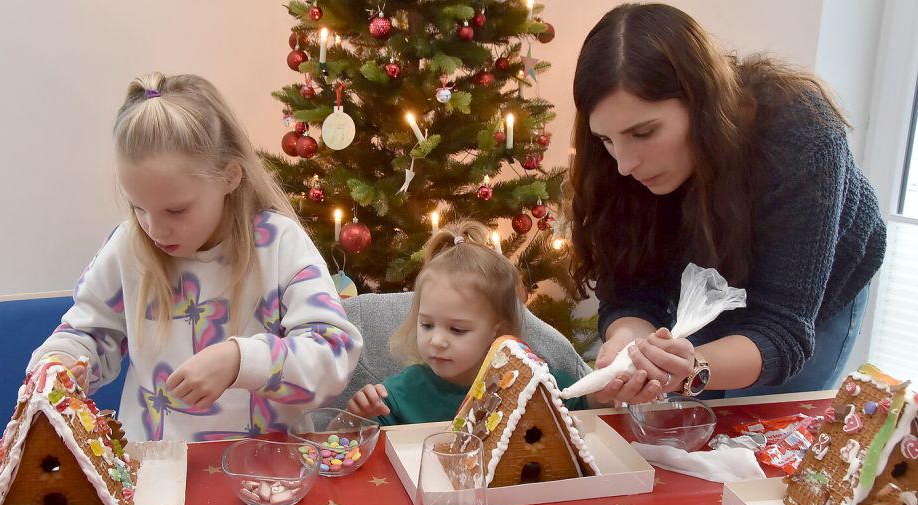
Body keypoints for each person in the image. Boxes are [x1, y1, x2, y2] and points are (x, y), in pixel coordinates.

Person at [567, 3, 886, 405]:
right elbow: (630, 290)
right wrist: (630, 340)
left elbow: (783, 329)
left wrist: (694, 366)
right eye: (607, 140)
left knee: (766, 427)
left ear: (701, 102)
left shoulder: (804, 135)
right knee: (688, 402)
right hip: (711, 267)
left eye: (644, 132)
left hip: (813, 289)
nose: (625, 164)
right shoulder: (617, 163)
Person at [29, 72, 362, 441]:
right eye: (138, 207)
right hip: (156, 472)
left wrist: (240, 362)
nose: (154, 230)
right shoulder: (129, 246)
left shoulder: (279, 244)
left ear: (230, 177)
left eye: (176, 211)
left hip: (269, 476)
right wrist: (60, 362)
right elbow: (86, 333)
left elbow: (335, 353)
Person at [346, 219, 587, 425]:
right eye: (427, 325)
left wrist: (605, 391)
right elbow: (348, 442)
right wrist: (357, 417)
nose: (437, 341)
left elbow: (588, 403)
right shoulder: (401, 393)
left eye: (457, 329)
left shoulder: (531, 381)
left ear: (498, 332)